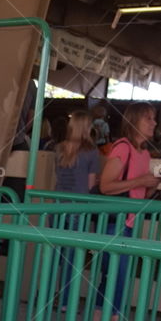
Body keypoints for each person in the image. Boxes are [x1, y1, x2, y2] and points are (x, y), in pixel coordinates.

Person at [94, 103, 161, 321]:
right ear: (134, 121)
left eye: (154, 118)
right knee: (115, 276)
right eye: (148, 118)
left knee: (117, 277)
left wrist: (152, 186)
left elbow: (136, 191)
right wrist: (142, 181)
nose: (153, 123)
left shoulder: (143, 153)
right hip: (116, 223)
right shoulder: (122, 147)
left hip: (129, 222)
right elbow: (106, 185)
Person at [54, 110, 102, 307]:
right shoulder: (92, 152)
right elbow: (91, 184)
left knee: (55, 254)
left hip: (58, 205)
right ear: (87, 127)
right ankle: (65, 300)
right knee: (72, 257)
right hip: (78, 207)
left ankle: (48, 297)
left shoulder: (58, 148)